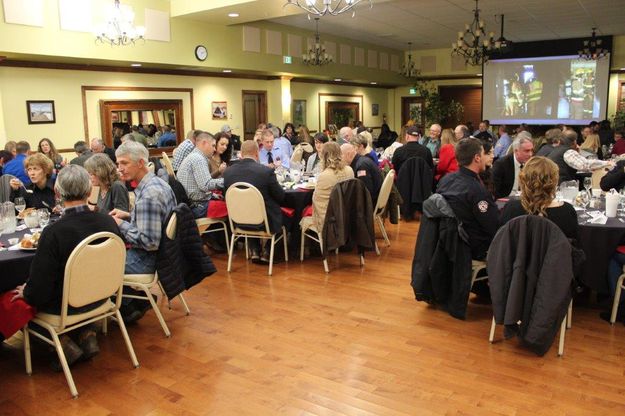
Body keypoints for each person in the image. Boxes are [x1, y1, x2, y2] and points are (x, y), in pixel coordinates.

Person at [8, 165, 122, 367]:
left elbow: (39, 290)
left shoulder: (54, 232)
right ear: (89, 191)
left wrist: (27, 291)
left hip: (66, 307)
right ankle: (86, 332)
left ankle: (60, 342)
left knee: (14, 300)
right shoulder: (108, 222)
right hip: (103, 298)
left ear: (58, 193)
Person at [110, 141, 176, 274]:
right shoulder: (156, 182)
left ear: (140, 163)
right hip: (162, 255)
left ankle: (126, 294)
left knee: (95, 268)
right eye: (118, 164)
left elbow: (150, 242)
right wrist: (128, 215)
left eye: (124, 163)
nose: (120, 169)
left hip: (147, 261)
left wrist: (120, 223)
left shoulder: (149, 195)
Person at [437, 138, 499, 261]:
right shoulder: (477, 191)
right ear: (477, 158)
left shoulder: (444, 181)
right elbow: (494, 227)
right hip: (472, 249)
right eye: (483, 154)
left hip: (446, 244)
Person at [223, 140, 285, 262]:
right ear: (257, 153)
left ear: (241, 153)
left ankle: (255, 250)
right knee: (286, 217)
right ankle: (268, 251)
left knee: (249, 208)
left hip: (238, 221)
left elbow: (227, 196)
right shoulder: (265, 172)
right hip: (264, 222)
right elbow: (280, 196)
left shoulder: (228, 172)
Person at [500, 156, 579, 240]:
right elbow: (573, 247)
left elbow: (502, 241)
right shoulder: (566, 211)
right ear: (554, 182)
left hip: (518, 253)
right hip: (554, 253)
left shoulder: (511, 208)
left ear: (523, 179)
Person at [305, 142, 354, 233]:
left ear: (324, 156)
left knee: (303, 212)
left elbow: (316, 201)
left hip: (330, 220)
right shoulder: (349, 170)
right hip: (347, 215)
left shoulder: (325, 175)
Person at [177, 132, 224, 218]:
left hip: (193, 203)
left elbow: (201, 185)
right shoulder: (198, 159)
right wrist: (228, 180)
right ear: (204, 143)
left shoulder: (194, 156)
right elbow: (206, 185)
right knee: (233, 207)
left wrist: (213, 195)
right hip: (198, 207)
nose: (214, 149)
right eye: (213, 146)